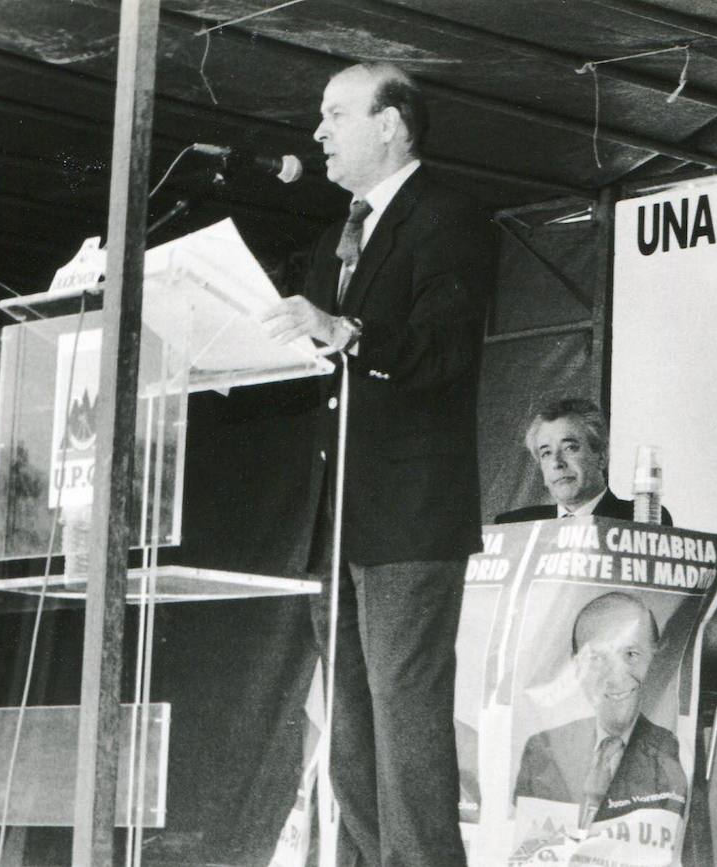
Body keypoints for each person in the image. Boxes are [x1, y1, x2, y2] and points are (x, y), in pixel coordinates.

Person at [262, 61, 493, 867]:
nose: (318, 132)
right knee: (351, 737)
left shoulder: (451, 219)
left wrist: (346, 330)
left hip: (410, 515)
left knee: (405, 723)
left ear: (391, 123)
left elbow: (441, 350)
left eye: (335, 114)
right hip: (336, 521)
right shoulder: (333, 237)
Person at [513, 592, 688, 829]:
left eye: (631, 654)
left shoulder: (674, 752)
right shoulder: (543, 748)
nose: (616, 677)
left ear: (654, 658)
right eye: (596, 658)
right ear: (575, 667)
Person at [495, 397, 673, 525]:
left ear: (601, 456)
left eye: (570, 448)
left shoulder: (641, 518)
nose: (557, 462)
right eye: (546, 453)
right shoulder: (513, 526)